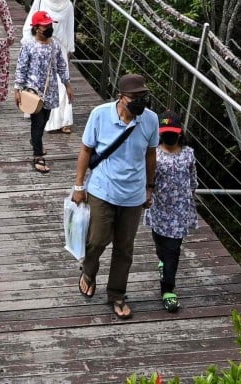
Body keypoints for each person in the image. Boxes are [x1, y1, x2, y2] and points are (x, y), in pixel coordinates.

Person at [70, 73, 159, 319]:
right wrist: (79, 186)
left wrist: (150, 187)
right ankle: (88, 271)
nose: (140, 102)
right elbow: (86, 149)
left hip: (133, 193)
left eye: (144, 96)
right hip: (103, 189)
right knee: (97, 240)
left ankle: (117, 294)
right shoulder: (100, 115)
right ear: (121, 97)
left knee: (124, 248)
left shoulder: (150, 120)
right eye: (135, 97)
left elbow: (151, 155)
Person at [144, 109, 197, 313]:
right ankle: (163, 262)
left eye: (172, 131)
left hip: (180, 211)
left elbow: (193, 179)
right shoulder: (154, 155)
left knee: (173, 250)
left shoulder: (188, 154)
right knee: (160, 244)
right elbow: (147, 179)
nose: (169, 135)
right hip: (159, 208)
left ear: (180, 131)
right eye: (165, 131)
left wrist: (190, 194)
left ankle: (168, 290)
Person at [13, 10, 72, 174]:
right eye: (45, 25)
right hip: (33, 91)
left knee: (45, 119)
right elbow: (21, 67)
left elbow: (61, 65)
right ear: (37, 28)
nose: (49, 28)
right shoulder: (29, 46)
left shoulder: (54, 45)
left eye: (49, 25)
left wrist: (67, 84)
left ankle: (35, 140)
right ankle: (37, 155)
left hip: (50, 90)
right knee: (37, 123)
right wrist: (17, 88)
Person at [22, 0, 76, 133]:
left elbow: (69, 29)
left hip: (58, 47)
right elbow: (30, 23)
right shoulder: (40, 0)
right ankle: (36, 108)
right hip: (40, 44)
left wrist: (69, 50)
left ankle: (64, 119)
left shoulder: (68, 6)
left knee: (61, 82)